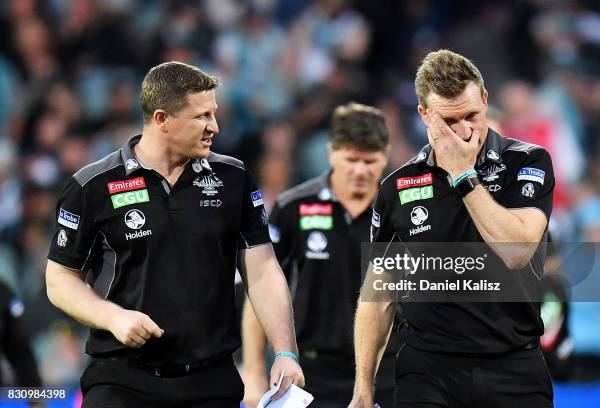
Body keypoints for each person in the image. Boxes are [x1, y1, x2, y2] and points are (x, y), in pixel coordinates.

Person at [46, 61, 304, 408]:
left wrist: (285, 351)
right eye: (201, 117)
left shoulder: (233, 178)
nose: (214, 126)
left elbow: (262, 271)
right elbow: (59, 279)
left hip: (211, 382)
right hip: (122, 382)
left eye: (213, 114)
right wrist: (114, 317)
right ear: (162, 119)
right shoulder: (92, 186)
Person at [349, 50, 555, 408]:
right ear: (425, 116)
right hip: (428, 369)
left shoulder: (526, 161)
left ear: (486, 100)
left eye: (473, 116)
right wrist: (363, 387)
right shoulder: (398, 187)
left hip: (513, 365)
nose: (464, 132)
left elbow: (517, 251)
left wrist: (463, 176)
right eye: (449, 121)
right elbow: (379, 294)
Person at [242, 103, 402, 408]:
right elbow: (261, 289)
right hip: (315, 372)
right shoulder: (294, 208)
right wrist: (252, 371)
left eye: (370, 160)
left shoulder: (401, 212)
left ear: (386, 155)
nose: (360, 170)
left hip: (386, 371)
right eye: (351, 159)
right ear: (331, 153)